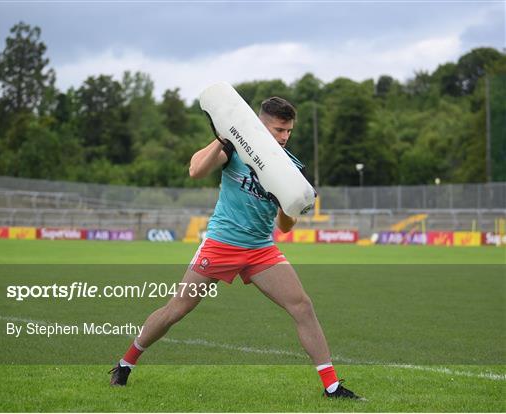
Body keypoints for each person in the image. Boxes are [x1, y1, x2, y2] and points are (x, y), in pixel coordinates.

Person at [109, 96, 362, 400]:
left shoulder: (292, 169)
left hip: (261, 249)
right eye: (279, 130)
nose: (284, 137)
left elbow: (285, 226)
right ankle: (126, 363)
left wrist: (287, 203)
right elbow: (196, 171)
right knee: (177, 309)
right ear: (259, 125)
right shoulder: (234, 149)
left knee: (303, 307)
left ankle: (332, 387)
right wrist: (222, 140)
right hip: (222, 244)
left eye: (289, 131)